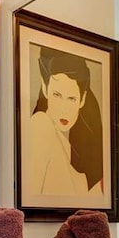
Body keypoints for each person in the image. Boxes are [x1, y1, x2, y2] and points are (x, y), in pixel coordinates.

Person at [29, 46, 103, 196]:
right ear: (45, 88)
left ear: (82, 100)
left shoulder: (67, 146)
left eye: (71, 99)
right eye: (57, 95)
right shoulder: (41, 124)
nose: (63, 109)